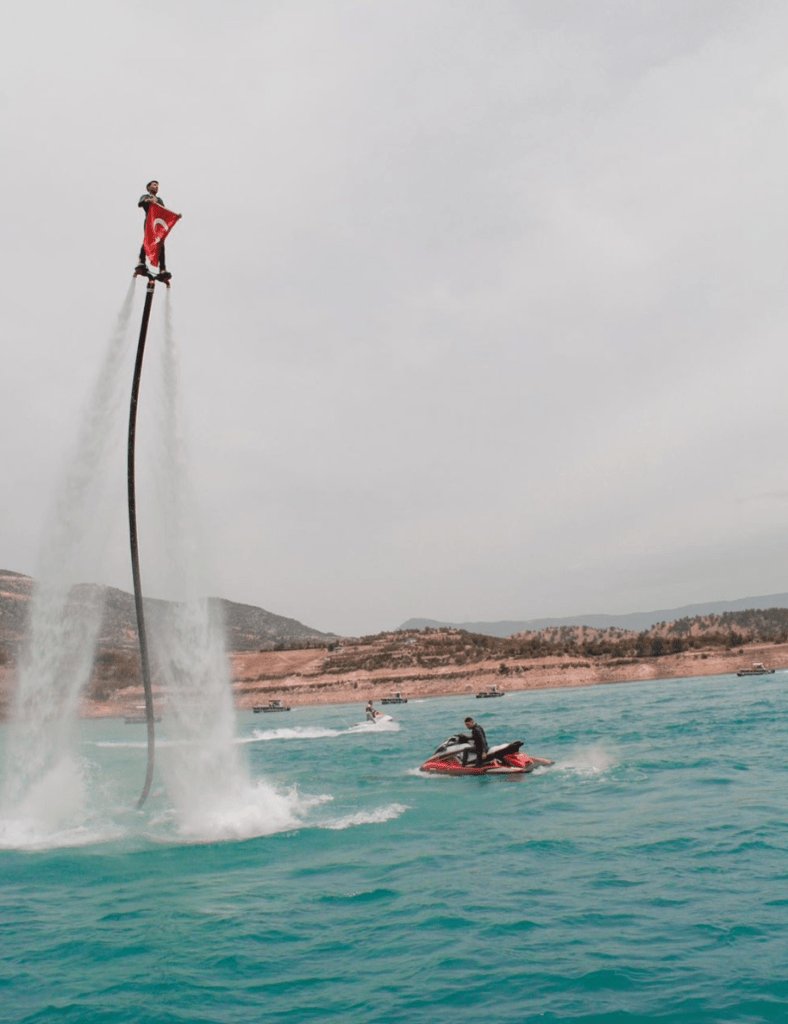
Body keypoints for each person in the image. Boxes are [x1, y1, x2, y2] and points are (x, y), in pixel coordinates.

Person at [136, 180, 170, 277]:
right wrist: (147, 201)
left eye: (157, 186)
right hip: (149, 221)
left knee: (161, 244)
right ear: (149, 188)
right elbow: (140, 203)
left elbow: (163, 210)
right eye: (154, 185)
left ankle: (162, 269)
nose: (156, 187)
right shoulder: (146, 196)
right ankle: (141, 261)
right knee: (148, 239)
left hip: (158, 223)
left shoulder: (159, 200)